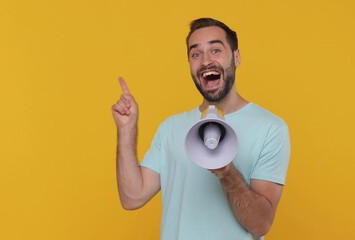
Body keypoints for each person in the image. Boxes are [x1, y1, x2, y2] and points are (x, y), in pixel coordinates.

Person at [111, 18, 290, 240]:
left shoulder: (270, 128)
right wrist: (126, 130)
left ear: (236, 57)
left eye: (215, 50)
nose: (206, 61)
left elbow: (260, 224)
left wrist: (225, 170)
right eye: (196, 54)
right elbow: (132, 197)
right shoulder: (170, 128)